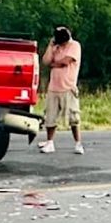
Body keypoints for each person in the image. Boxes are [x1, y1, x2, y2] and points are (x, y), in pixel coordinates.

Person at [39, 26, 84, 154]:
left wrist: (55, 63)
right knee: (50, 116)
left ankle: (78, 143)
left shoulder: (74, 45)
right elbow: (46, 61)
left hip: (68, 86)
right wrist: (50, 46)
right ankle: (50, 142)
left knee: (73, 117)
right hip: (54, 86)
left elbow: (66, 61)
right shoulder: (56, 46)